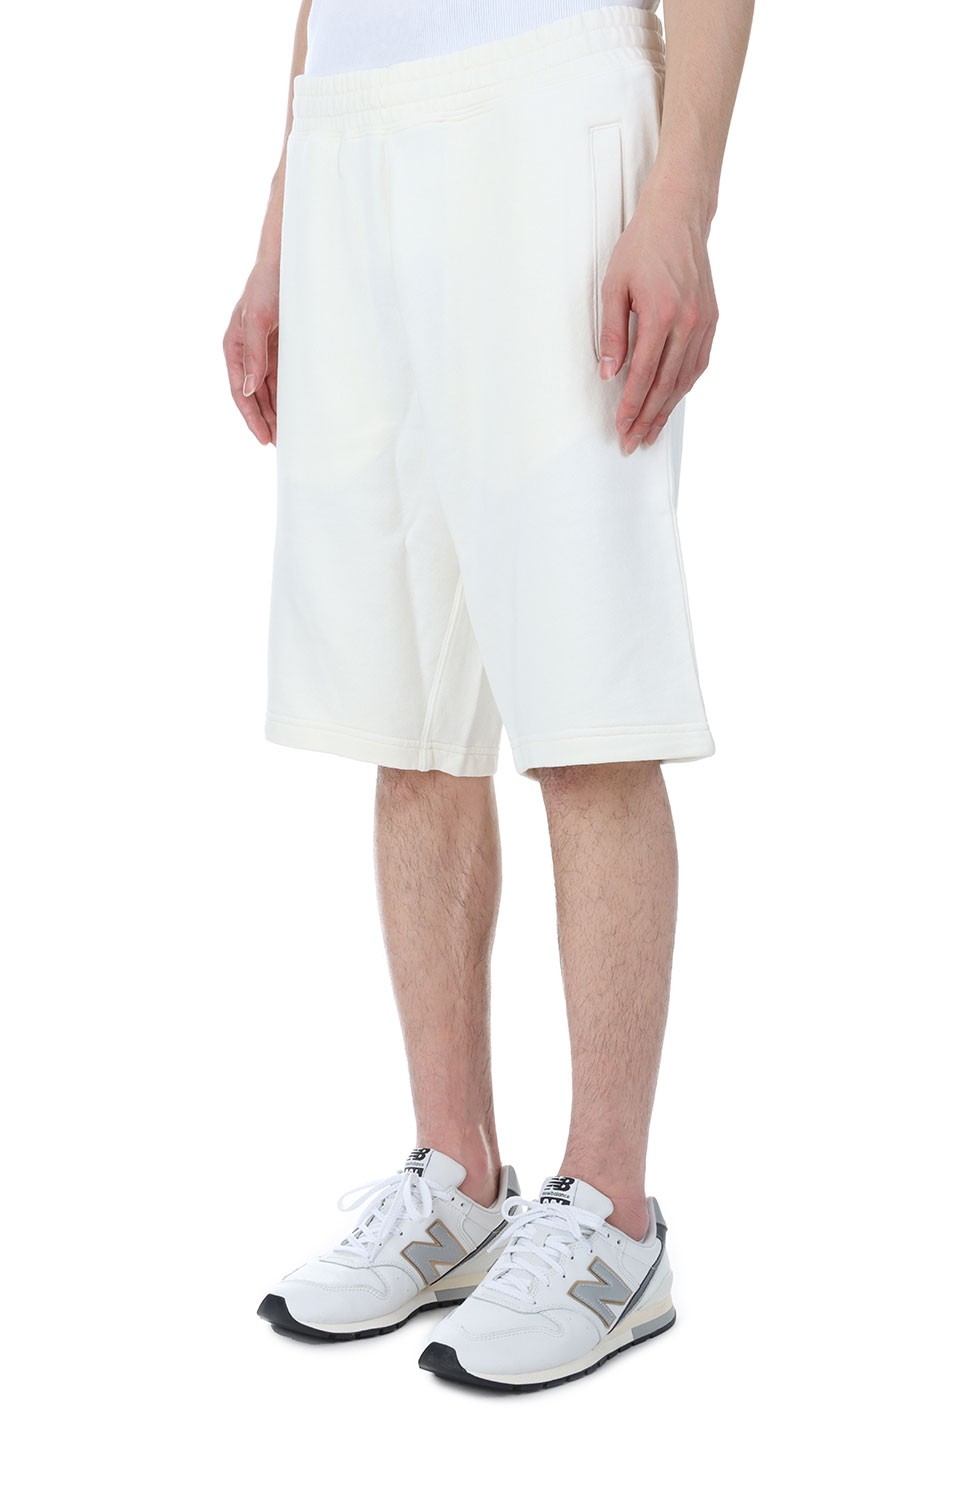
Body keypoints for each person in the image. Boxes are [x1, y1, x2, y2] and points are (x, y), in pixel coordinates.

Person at [224, 0, 752, 1392]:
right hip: (351, 132)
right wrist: (283, 219)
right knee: (406, 720)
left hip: (548, 95)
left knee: (586, 701)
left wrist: (683, 197)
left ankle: (611, 1221)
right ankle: (456, 1180)